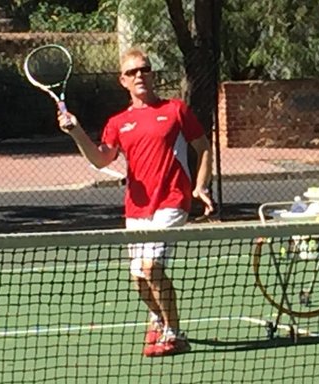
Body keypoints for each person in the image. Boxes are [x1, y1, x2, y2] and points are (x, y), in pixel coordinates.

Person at [57, 47, 214, 356]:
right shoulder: (117, 123)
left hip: (172, 200)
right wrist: (76, 132)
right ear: (123, 81)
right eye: (132, 72)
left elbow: (203, 147)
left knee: (151, 266)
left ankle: (175, 334)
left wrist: (200, 186)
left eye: (144, 69)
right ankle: (157, 319)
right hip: (136, 208)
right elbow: (101, 159)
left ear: (152, 75)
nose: (139, 75)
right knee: (138, 277)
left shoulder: (175, 110)